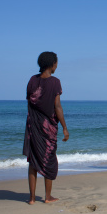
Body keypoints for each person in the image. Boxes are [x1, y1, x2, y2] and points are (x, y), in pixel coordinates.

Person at [23, 52, 69, 204]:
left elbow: (30, 102)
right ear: (51, 64)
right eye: (56, 63)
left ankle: (31, 199)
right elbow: (57, 106)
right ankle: (47, 197)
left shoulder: (32, 80)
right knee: (49, 160)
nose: (57, 66)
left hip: (33, 126)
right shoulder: (55, 82)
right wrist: (64, 127)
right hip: (48, 128)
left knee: (33, 162)